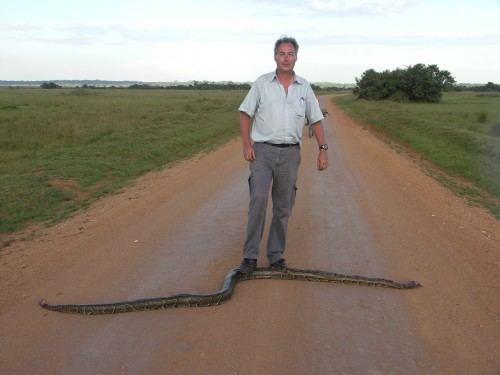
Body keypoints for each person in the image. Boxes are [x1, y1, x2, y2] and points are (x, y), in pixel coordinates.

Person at [238, 36, 329, 274]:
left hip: (290, 154)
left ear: (296, 57)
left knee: (283, 207)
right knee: (258, 201)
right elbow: (245, 113)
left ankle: (276, 256)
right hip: (262, 152)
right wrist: (247, 144)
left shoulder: (304, 87)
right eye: (281, 53)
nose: (286, 58)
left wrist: (323, 150)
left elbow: (316, 119)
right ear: (275, 57)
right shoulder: (261, 83)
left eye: (290, 54)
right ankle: (249, 257)